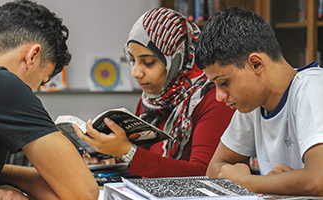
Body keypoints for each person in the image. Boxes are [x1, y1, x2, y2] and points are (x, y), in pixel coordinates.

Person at [74, 7, 235, 178]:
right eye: (132, 60)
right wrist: (107, 156)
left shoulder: (214, 97)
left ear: (177, 59)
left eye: (148, 62)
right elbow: (146, 163)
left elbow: (205, 173)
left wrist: (127, 152)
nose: (136, 73)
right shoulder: (152, 100)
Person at [195, 6, 323, 196]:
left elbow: (318, 179)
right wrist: (276, 183)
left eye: (224, 82)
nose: (219, 96)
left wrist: (252, 182)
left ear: (256, 64)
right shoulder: (253, 104)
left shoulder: (312, 87)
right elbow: (214, 169)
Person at [0, 1, 99, 199]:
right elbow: (85, 193)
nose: (33, 91)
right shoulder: (5, 84)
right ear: (33, 56)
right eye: (41, 81)